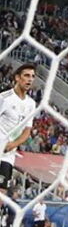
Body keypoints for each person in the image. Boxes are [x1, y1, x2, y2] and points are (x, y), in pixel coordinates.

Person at [0, 65, 39, 195]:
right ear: (17, 77)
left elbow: (27, 131)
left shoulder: (31, 104)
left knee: (2, 193)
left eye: (32, 76)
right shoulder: (4, 98)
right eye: (26, 75)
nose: (30, 79)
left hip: (8, 155)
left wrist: (13, 144)